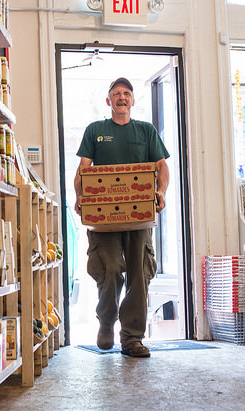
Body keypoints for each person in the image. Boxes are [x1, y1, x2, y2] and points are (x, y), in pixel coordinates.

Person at [74, 77, 170, 358]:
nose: (121, 97)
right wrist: (81, 197)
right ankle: (106, 321)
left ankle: (132, 337)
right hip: (104, 218)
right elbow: (83, 169)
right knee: (111, 269)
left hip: (139, 218)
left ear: (132, 100)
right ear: (108, 101)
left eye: (126, 93)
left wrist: (160, 191)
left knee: (139, 274)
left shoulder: (146, 131)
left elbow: (161, 166)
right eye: (116, 93)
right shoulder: (96, 131)